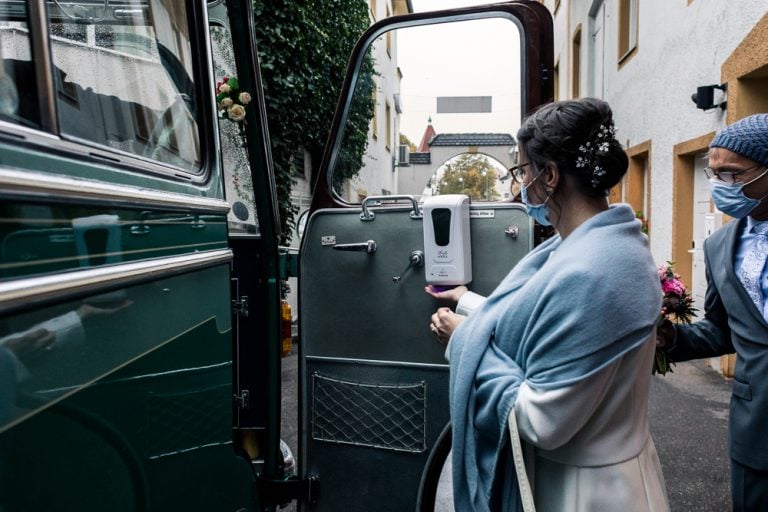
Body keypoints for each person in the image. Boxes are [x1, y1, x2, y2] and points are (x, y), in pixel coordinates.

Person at [427, 98, 668, 511]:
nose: (519, 185)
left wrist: (463, 339)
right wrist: (467, 302)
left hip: (586, 492)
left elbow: (542, 420)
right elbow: (545, 320)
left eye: (521, 171)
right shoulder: (598, 246)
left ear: (550, 175)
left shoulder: (591, 271)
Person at [656, 113, 768, 512]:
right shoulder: (719, 245)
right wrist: (669, 337)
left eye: (733, 175)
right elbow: (722, 331)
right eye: (715, 174)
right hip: (757, 430)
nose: (722, 186)